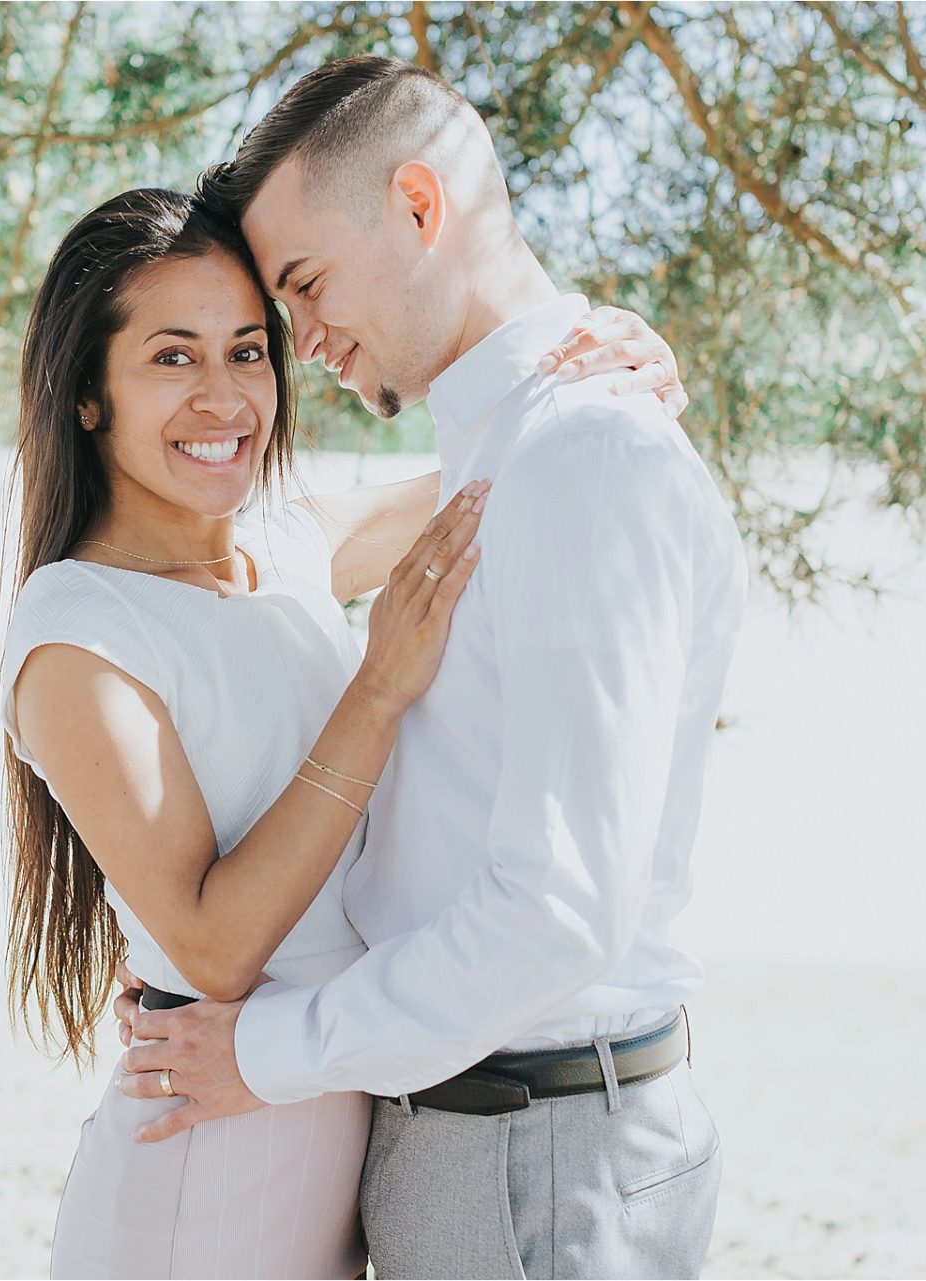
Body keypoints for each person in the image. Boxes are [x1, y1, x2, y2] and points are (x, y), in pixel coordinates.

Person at [110, 57, 749, 1280]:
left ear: (417, 204)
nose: (301, 341)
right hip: (473, 1133)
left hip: (534, 1150)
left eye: (304, 286)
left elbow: (560, 908)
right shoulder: (504, 454)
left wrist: (270, 1049)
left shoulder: (584, 459)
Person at [0, 185, 689, 1277]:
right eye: (172, 359)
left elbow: (502, 474)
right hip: (210, 1153)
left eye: (248, 352)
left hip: (330, 1116)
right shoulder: (78, 635)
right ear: (89, 393)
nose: (225, 398)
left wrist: (605, 365)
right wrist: (376, 695)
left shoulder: (283, 541)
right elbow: (216, 947)